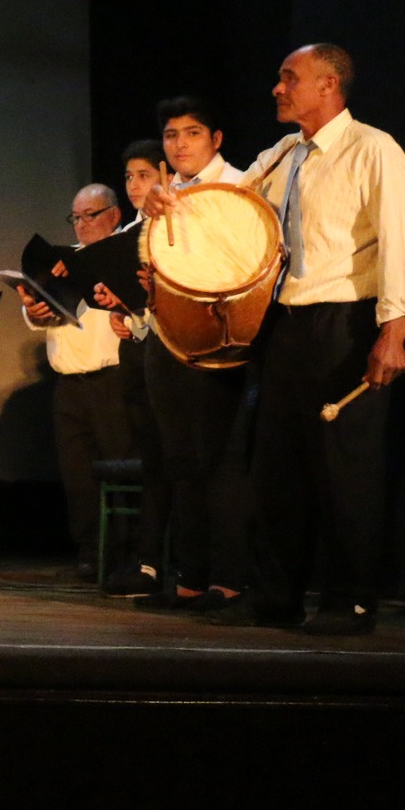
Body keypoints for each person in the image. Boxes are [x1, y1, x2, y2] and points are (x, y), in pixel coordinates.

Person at [203, 45, 405, 634]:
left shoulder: (372, 149)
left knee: (344, 468)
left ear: (329, 84)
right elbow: (227, 213)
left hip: (345, 323)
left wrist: (394, 331)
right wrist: (173, 203)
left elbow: (402, 239)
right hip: (285, 324)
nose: (277, 89)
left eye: (290, 78)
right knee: (277, 469)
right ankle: (274, 598)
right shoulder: (282, 154)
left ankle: (349, 600)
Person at [136, 97, 255, 609]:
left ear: (216, 138)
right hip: (165, 335)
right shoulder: (163, 196)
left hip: (218, 337)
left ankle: (228, 580)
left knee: (219, 458)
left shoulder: (241, 187)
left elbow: (250, 259)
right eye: (171, 135)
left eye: (192, 133)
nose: (180, 144)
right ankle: (190, 578)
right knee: (179, 458)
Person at [14, 184, 133, 582]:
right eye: (75, 218)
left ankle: (128, 551)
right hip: (69, 381)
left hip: (112, 378)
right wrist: (35, 308)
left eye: (90, 216)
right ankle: (91, 550)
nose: (81, 225)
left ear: (114, 215)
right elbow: (42, 313)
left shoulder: (122, 256)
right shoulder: (63, 262)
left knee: (119, 466)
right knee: (77, 473)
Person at [100, 139, 173, 598]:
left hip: (176, 353)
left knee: (176, 461)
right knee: (152, 461)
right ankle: (147, 564)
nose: (133, 185)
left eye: (144, 175)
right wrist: (120, 308)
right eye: (128, 176)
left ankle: (180, 566)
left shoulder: (176, 225)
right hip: (137, 353)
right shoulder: (129, 233)